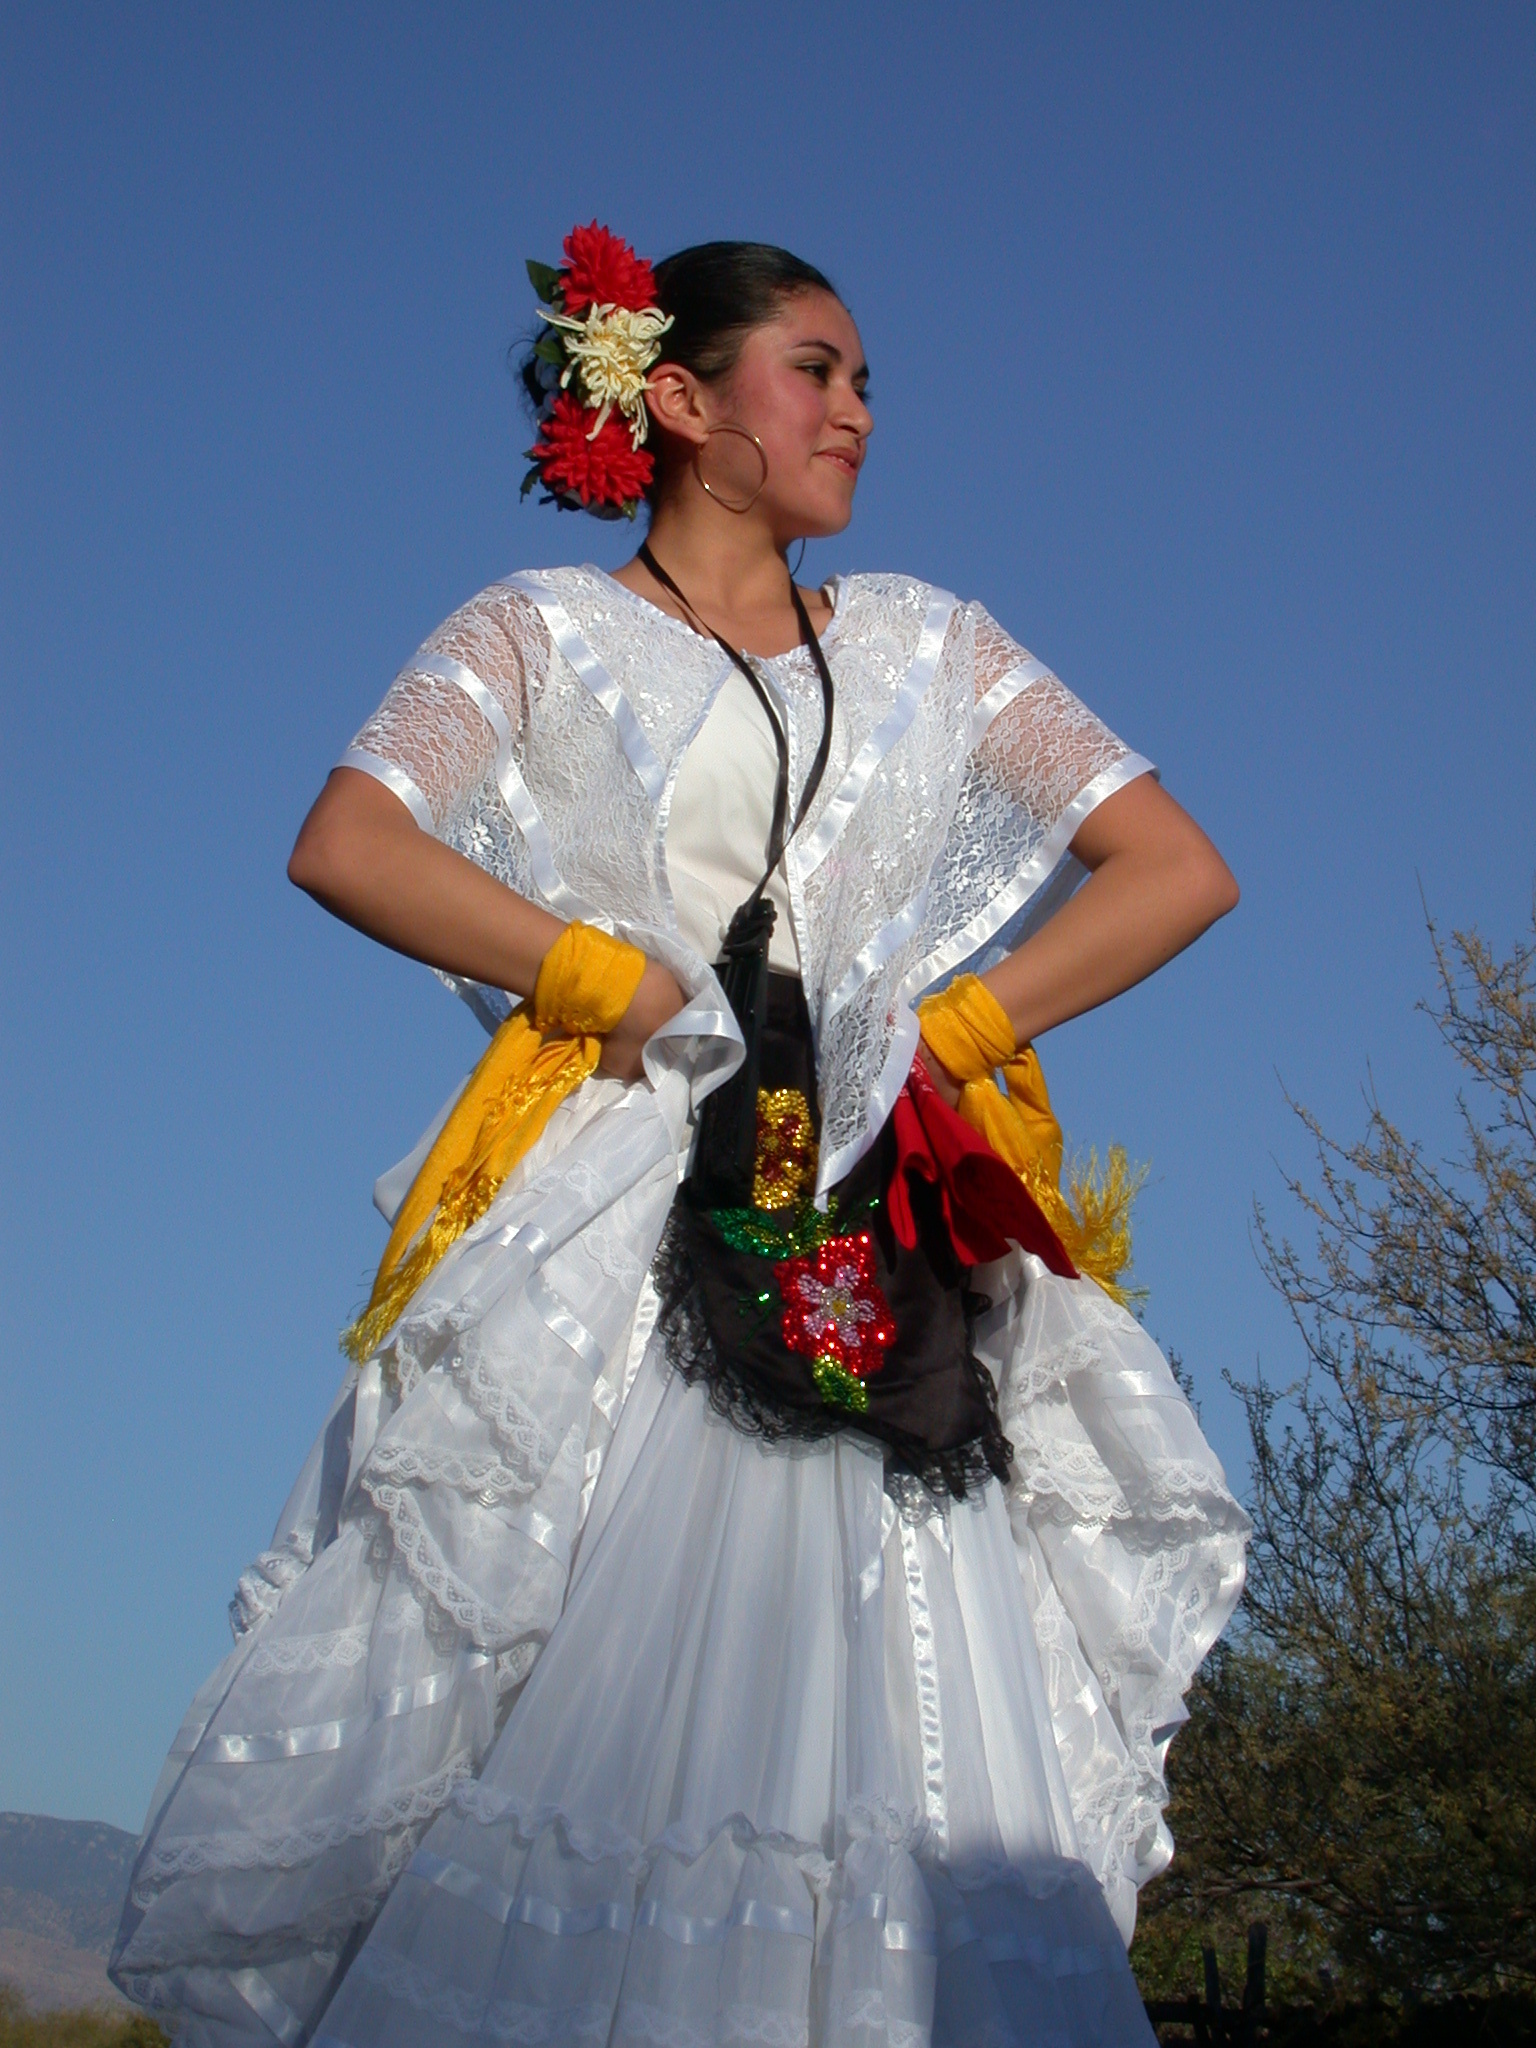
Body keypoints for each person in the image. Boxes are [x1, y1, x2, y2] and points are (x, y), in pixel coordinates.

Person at [112, 231, 1249, 2048]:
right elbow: (351, 840)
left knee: (907, 1705)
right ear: (679, 399)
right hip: (628, 1212)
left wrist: (954, 1025)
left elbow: (1179, 869)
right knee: (572, 1674)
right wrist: (597, 977)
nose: (858, 412)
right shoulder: (540, 629)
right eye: (819, 369)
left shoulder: (930, 643)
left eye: (869, 380)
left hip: (884, 1222)